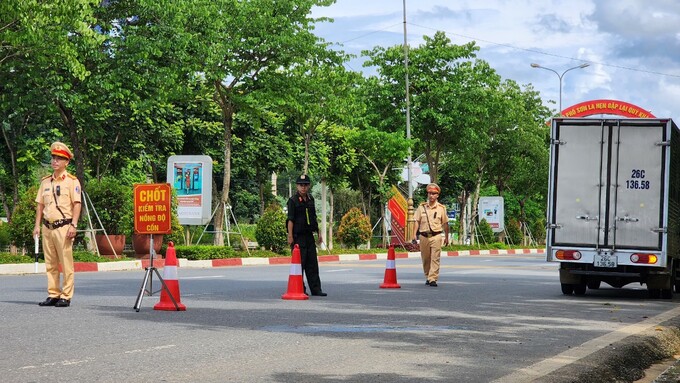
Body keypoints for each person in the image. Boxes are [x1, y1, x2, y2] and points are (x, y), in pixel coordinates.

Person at [33, 142, 82, 307]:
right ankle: (53, 293)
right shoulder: (45, 182)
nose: (55, 161)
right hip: (47, 227)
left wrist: (73, 225)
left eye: (59, 158)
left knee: (66, 263)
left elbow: (77, 204)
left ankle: (66, 296)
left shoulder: (72, 181)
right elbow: (40, 205)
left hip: (64, 227)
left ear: (66, 162)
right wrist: (37, 226)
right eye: (53, 157)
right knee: (50, 263)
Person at [286, 174, 326, 297]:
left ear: (308, 186)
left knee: (312, 263)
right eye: (301, 185)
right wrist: (290, 235)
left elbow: (313, 217)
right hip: (298, 236)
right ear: (297, 186)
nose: (303, 187)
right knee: (300, 264)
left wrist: (318, 233)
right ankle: (300, 288)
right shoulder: (293, 201)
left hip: (309, 235)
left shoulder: (310, 199)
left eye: (305, 185)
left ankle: (316, 289)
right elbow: (290, 220)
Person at [413, 183, 449, 287]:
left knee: (435, 258)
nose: (431, 195)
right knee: (425, 258)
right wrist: (414, 234)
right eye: (429, 193)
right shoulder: (421, 207)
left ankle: (433, 278)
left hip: (436, 236)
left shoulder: (441, 208)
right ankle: (428, 276)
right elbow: (417, 221)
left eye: (434, 193)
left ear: (437, 195)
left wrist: (446, 237)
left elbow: (445, 224)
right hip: (423, 236)